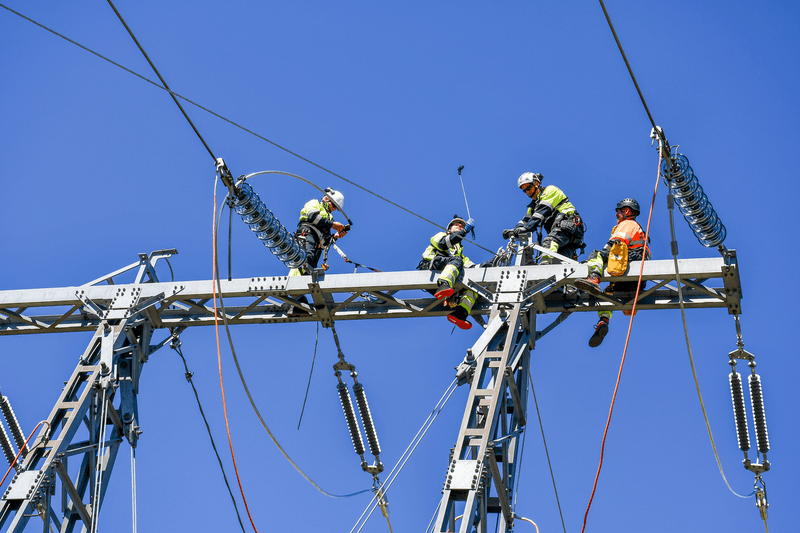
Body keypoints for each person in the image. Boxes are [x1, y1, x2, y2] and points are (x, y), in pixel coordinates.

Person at [574, 198, 651, 347]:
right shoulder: (638, 229)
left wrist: (598, 260)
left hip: (630, 262)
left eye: (619, 211)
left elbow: (615, 244)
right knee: (608, 292)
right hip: (636, 281)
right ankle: (603, 320)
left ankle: (593, 279)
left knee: (596, 254)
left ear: (627, 211)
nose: (616, 215)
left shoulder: (628, 224)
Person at [502, 172, 585, 264]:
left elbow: (539, 214)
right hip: (567, 236)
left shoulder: (550, 190)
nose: (527, 192)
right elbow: (526, 221)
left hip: (569, 225)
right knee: (559, 261)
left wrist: (525, 229)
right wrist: (514, 230)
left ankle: (545, 265)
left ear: (536, 183)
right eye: (524, 190)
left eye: (528, 188)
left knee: (549, 242)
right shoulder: (533, 206)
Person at [417, 216, 478, 330]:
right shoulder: (440, 235)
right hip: (431, 268)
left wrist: (490, 264)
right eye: (457, 225)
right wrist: (464, 231)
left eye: (462, 226)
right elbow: (444, 243)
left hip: (447, 284)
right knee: (456, 260)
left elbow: (473, 268)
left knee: (474, 289)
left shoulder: (458, 252)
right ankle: (444, 284)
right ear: (449, 229)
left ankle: (460, 313)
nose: (460, 226)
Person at [289, 188, 348, 276]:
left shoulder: (329, 218)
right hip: (307, 232)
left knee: (311, 266)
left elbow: (325, 242)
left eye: (336, 208)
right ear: (326, 199)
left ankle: (305, 278)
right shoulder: (315, 203)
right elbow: (313, 217)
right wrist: (332, 225)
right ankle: (297, 277)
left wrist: (335, 236)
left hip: (317, 244)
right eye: (334, 205)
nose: (334, 209)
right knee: (306, 259)